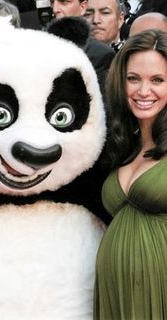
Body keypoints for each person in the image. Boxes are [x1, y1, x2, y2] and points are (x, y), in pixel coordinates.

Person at [94, 29, 167, 319]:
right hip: (116, 293)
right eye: (133, 78)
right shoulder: (121, 145)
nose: (143, 91)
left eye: (157, 80)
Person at [50, 0, 115, 94]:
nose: (55, 9)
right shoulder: (38, 48)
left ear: (83, 7)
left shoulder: (100, 55)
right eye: (52, 2)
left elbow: (100, 105)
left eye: (64, 2)